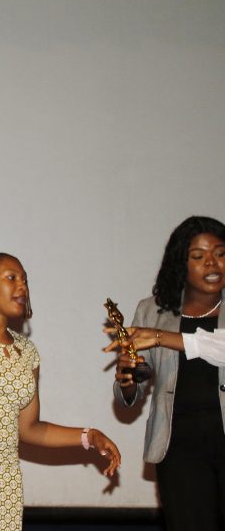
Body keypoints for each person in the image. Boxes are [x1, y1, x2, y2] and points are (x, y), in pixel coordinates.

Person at [0, 253, 120, 531]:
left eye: (25, 280)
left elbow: (30, 429)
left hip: (4, 482)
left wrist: (89, 436)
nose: (22, 287)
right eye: (12, 278)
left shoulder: (27, 352)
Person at [106, 216, 225, 530]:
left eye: (220, 254)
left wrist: (160, 337)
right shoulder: (152, 311)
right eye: (198, 256)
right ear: (180, 264)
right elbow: (135, 385)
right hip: (179, 446)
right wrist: (129, 378)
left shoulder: (156, 330)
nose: (212, 263)